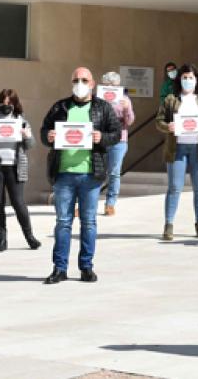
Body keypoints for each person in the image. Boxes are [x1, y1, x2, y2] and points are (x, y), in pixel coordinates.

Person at [40, 67, 121, 283]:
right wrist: (48, 135)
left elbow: (116, 133)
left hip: (91, 174)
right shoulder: (60, 107)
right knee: (63, 222)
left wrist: (101, 137)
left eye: (84, 79)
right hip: (64, 174)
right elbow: (44, 130)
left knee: (89, 222)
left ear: (92, 83)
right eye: (76, 79)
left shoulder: (102, 108)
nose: (80, 83)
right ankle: (59, 268)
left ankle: (86, 267)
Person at [155, 63, 198, 241]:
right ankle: (168, 224)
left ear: (196, 80)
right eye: (184, 77)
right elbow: (159, 121)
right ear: (179, 79)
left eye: (191, 77)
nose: (188, 80)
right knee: (174, 187)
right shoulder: (170, 99)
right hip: (177, 148)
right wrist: (167, 126)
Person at [0, 89, 41, 252]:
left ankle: (30, 237)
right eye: (3, 103)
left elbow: (31, 145)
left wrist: (26, 136)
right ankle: (2, 239)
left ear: (15, 104)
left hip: (15, 167)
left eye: (9, 103)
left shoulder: (22, 121)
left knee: (18, 203)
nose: (6, 106)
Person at [100, 71, 135, 217]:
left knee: (114, 173)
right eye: (107, 85)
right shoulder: (98, 99)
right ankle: (87, 203)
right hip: (100, 139)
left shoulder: (124, 99)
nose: (110, 88)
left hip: (118, 140)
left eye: (113, 85)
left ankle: (110, 203)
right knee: (96, 172)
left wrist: (126, 108)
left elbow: (130, 121)